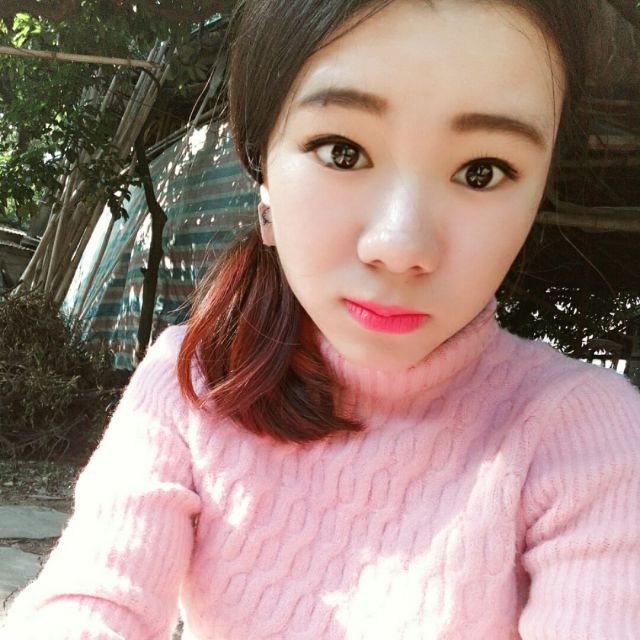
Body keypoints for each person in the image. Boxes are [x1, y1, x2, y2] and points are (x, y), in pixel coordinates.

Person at [3, 0, 640, 638]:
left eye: (482, 172)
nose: (401, 246)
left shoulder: (584, 434)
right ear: (263, 174)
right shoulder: (194, 380)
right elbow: (92, 602)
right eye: (342, 151)